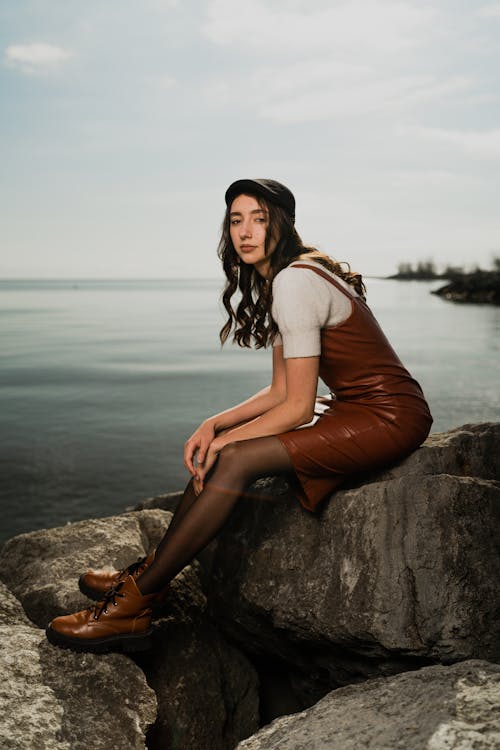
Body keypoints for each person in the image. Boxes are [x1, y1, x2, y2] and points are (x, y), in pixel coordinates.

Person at [46, 178, 433, 653]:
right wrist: (216, 423)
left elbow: (294, 407)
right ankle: (150, 575)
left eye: (259, 219)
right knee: (222, 448)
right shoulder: (285, 278)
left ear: (282, 224)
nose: (245, 232)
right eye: (236, 220)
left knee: (232, 459)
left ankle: (134, 605)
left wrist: (227, 444)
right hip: (363, 408)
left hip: (390, 416)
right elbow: (280, 391)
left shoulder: (295, 281)